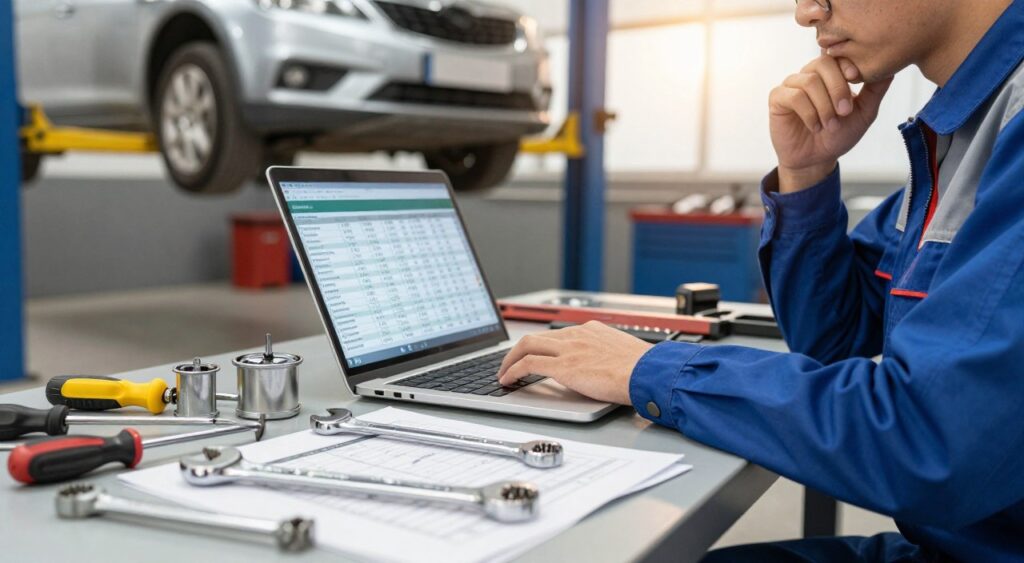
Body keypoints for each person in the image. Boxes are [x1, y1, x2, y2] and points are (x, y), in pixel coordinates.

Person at [495, 0, 1024, 561]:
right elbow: (835, 341)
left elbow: (926, 441)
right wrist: (806, 171)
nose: (806, 12)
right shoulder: (962, 135)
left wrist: (651, 369)